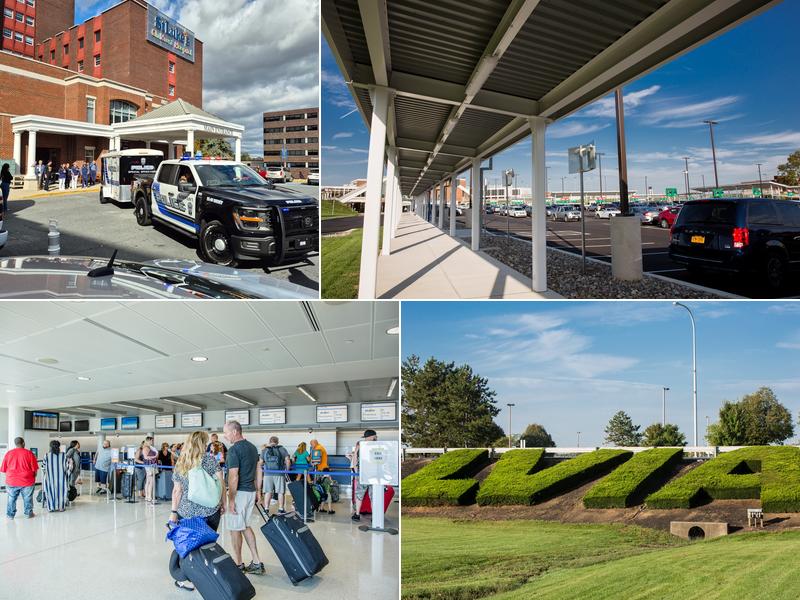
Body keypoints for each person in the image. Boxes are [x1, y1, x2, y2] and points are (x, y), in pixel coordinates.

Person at [168, 431, 226, 592]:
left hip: (187, 513)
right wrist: (224, 502)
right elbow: (221, 483)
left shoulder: (182, 461)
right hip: (210, 511)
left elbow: (177, 491)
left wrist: (173, 511)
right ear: (203, 443)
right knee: (207, 545)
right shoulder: (210, 460)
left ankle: (187, 579)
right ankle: (205, 574)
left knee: (187, 545)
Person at [223, 420, 265, 575]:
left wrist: (231, 499)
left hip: (239, 493)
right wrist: (258, 492)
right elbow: (258, 471)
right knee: (245, 526)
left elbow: (233, 477)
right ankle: (256, 562)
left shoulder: (234, 450)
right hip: (250, 492)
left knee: (235, 528)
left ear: (235, 431)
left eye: (226, 433)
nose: (225, 436)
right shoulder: (253, 448)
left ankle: (238, 564)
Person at [1, 437, 38, 520]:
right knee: (27, 498)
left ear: (15, 444)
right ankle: (28, 514)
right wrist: (33, 477)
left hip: (11, 481)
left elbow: (3, 469)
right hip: (27, 481)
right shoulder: (29, 453)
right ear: (23, 443)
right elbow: (35, 470)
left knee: (11, 498)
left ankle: (10, 515)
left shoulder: (9, 453)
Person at [256, 436, 291, 516]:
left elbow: (260, 462)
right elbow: (288, 460)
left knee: (268, 492)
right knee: (280, 492)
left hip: (268, 474)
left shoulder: (265, 450)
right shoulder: (282, 449)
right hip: (279, 473)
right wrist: (287, 470)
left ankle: (266, 509)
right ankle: (281, 509)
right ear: (277, 442)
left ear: (269, 441)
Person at [350, 429, 378, 522]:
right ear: (372, 436)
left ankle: (357, 514)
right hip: (374, 475)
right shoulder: (377, 445)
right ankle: (374, 516)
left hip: (362, 474)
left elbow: (354, 460)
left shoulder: (360, 445)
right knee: (373, 496)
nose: (376, 438)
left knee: (359, 495)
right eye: (375, 436)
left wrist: (356, 473)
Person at [43, 440, 68, 512]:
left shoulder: (47, 455)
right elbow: (67, 467)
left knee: (50, 491)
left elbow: (43, 467)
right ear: (59, 446)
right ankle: (61, 507)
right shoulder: (63, 455)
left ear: (50, 447)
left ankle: (51, 507)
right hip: (61, 478)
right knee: (61, 492)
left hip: (50, 478)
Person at [141, 437, 158, 504]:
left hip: (151, 465)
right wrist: (155, 456)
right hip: (149, 465)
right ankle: (149, 497)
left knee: (148, 481)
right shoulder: (146, 448)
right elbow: (146, 457)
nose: (152, 442)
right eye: (151, 441)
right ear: (148, 441)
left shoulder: (149, 447)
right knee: (151, 481)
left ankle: (148, 496)